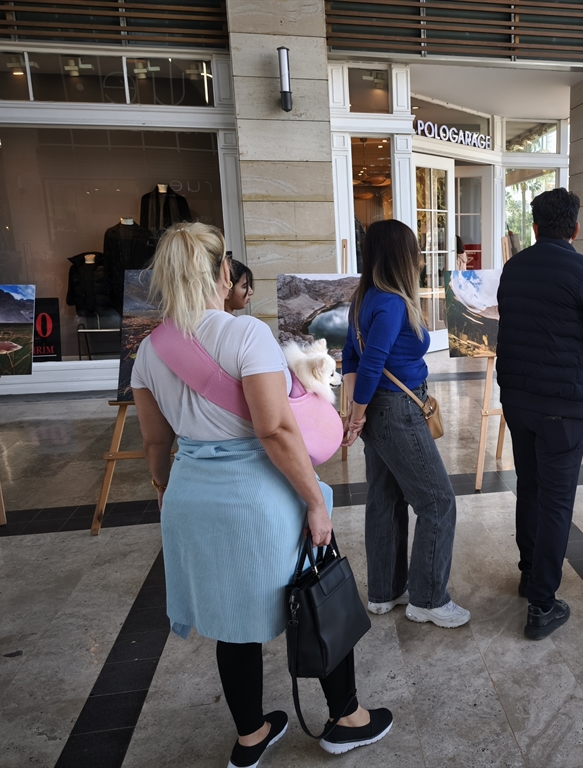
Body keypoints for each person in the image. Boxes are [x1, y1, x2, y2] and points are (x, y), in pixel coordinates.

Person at [131, 222, 391, 765]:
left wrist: (163, 490)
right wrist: (316, 502)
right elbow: (273, 431)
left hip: (191, 498)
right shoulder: (246, 336)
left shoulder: (150, 350)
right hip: (260, 498)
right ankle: (346, 718)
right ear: (223, 273)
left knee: (231, 621)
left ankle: (251, 736)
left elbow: (156, 441)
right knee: (319, 591)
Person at [496, 188, 583, 640]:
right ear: (575, 227)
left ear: (534, 226)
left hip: (518, 399)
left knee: (529, 487)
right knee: (556, 501)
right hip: (562, 408)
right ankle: (542, 605)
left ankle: (530, 574)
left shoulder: (514, 268)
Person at [340, 219, 470, 629]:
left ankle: (384, 592)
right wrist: (356, 417)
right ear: (400, 256)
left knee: (384, 497)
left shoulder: (364, 298)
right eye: (413, 251)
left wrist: (356, 412)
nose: (418, 259)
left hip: (379, 410)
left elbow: (351, 357)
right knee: (437, 502)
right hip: (396, 409)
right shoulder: (393, 303)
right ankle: (428, 599)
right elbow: (372, 362)